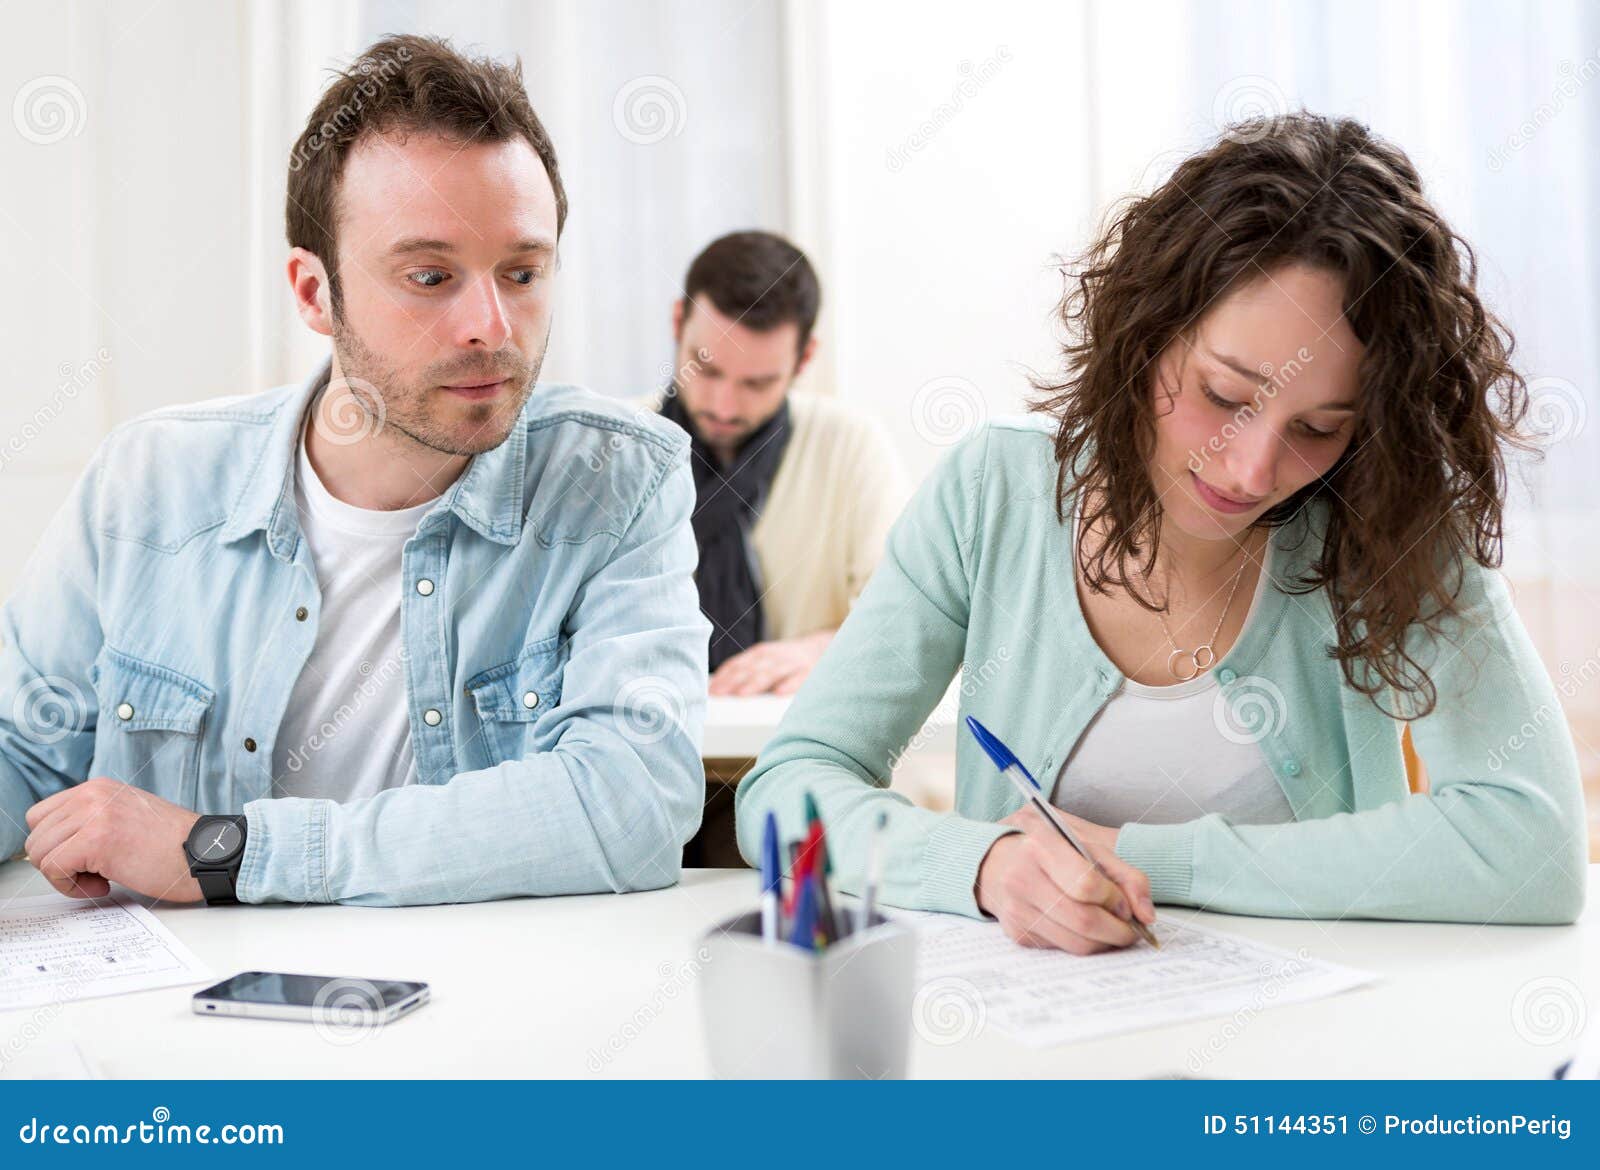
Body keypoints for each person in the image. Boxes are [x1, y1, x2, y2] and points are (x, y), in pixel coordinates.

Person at [735, 113, 1588, 952]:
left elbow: (1532, 846)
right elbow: (788, 788)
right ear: (1144, 336)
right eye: (1225, 397)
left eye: (1320, 427)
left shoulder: (1386, 514)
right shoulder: (995, 493)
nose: (1251, 471)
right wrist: (986, 863)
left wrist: (1151, 859)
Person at [3, 34, 709, 907]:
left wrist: (224, 852)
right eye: (429, 276)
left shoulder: (615, 480)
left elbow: (632, 802)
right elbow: (22, 747)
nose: (491, 325)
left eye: (523, 271)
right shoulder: (149, 483)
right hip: (173, 1019)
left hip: (489, 1019)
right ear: (313, 293)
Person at [648, 231, 909, 696]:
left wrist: (822, 652)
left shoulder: (851, 447)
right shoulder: (610, 444)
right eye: (706, 370)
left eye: (757, 383)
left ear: (804, 358)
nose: (724, 406)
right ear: (676, 323)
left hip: (799, 748)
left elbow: (910, 623)